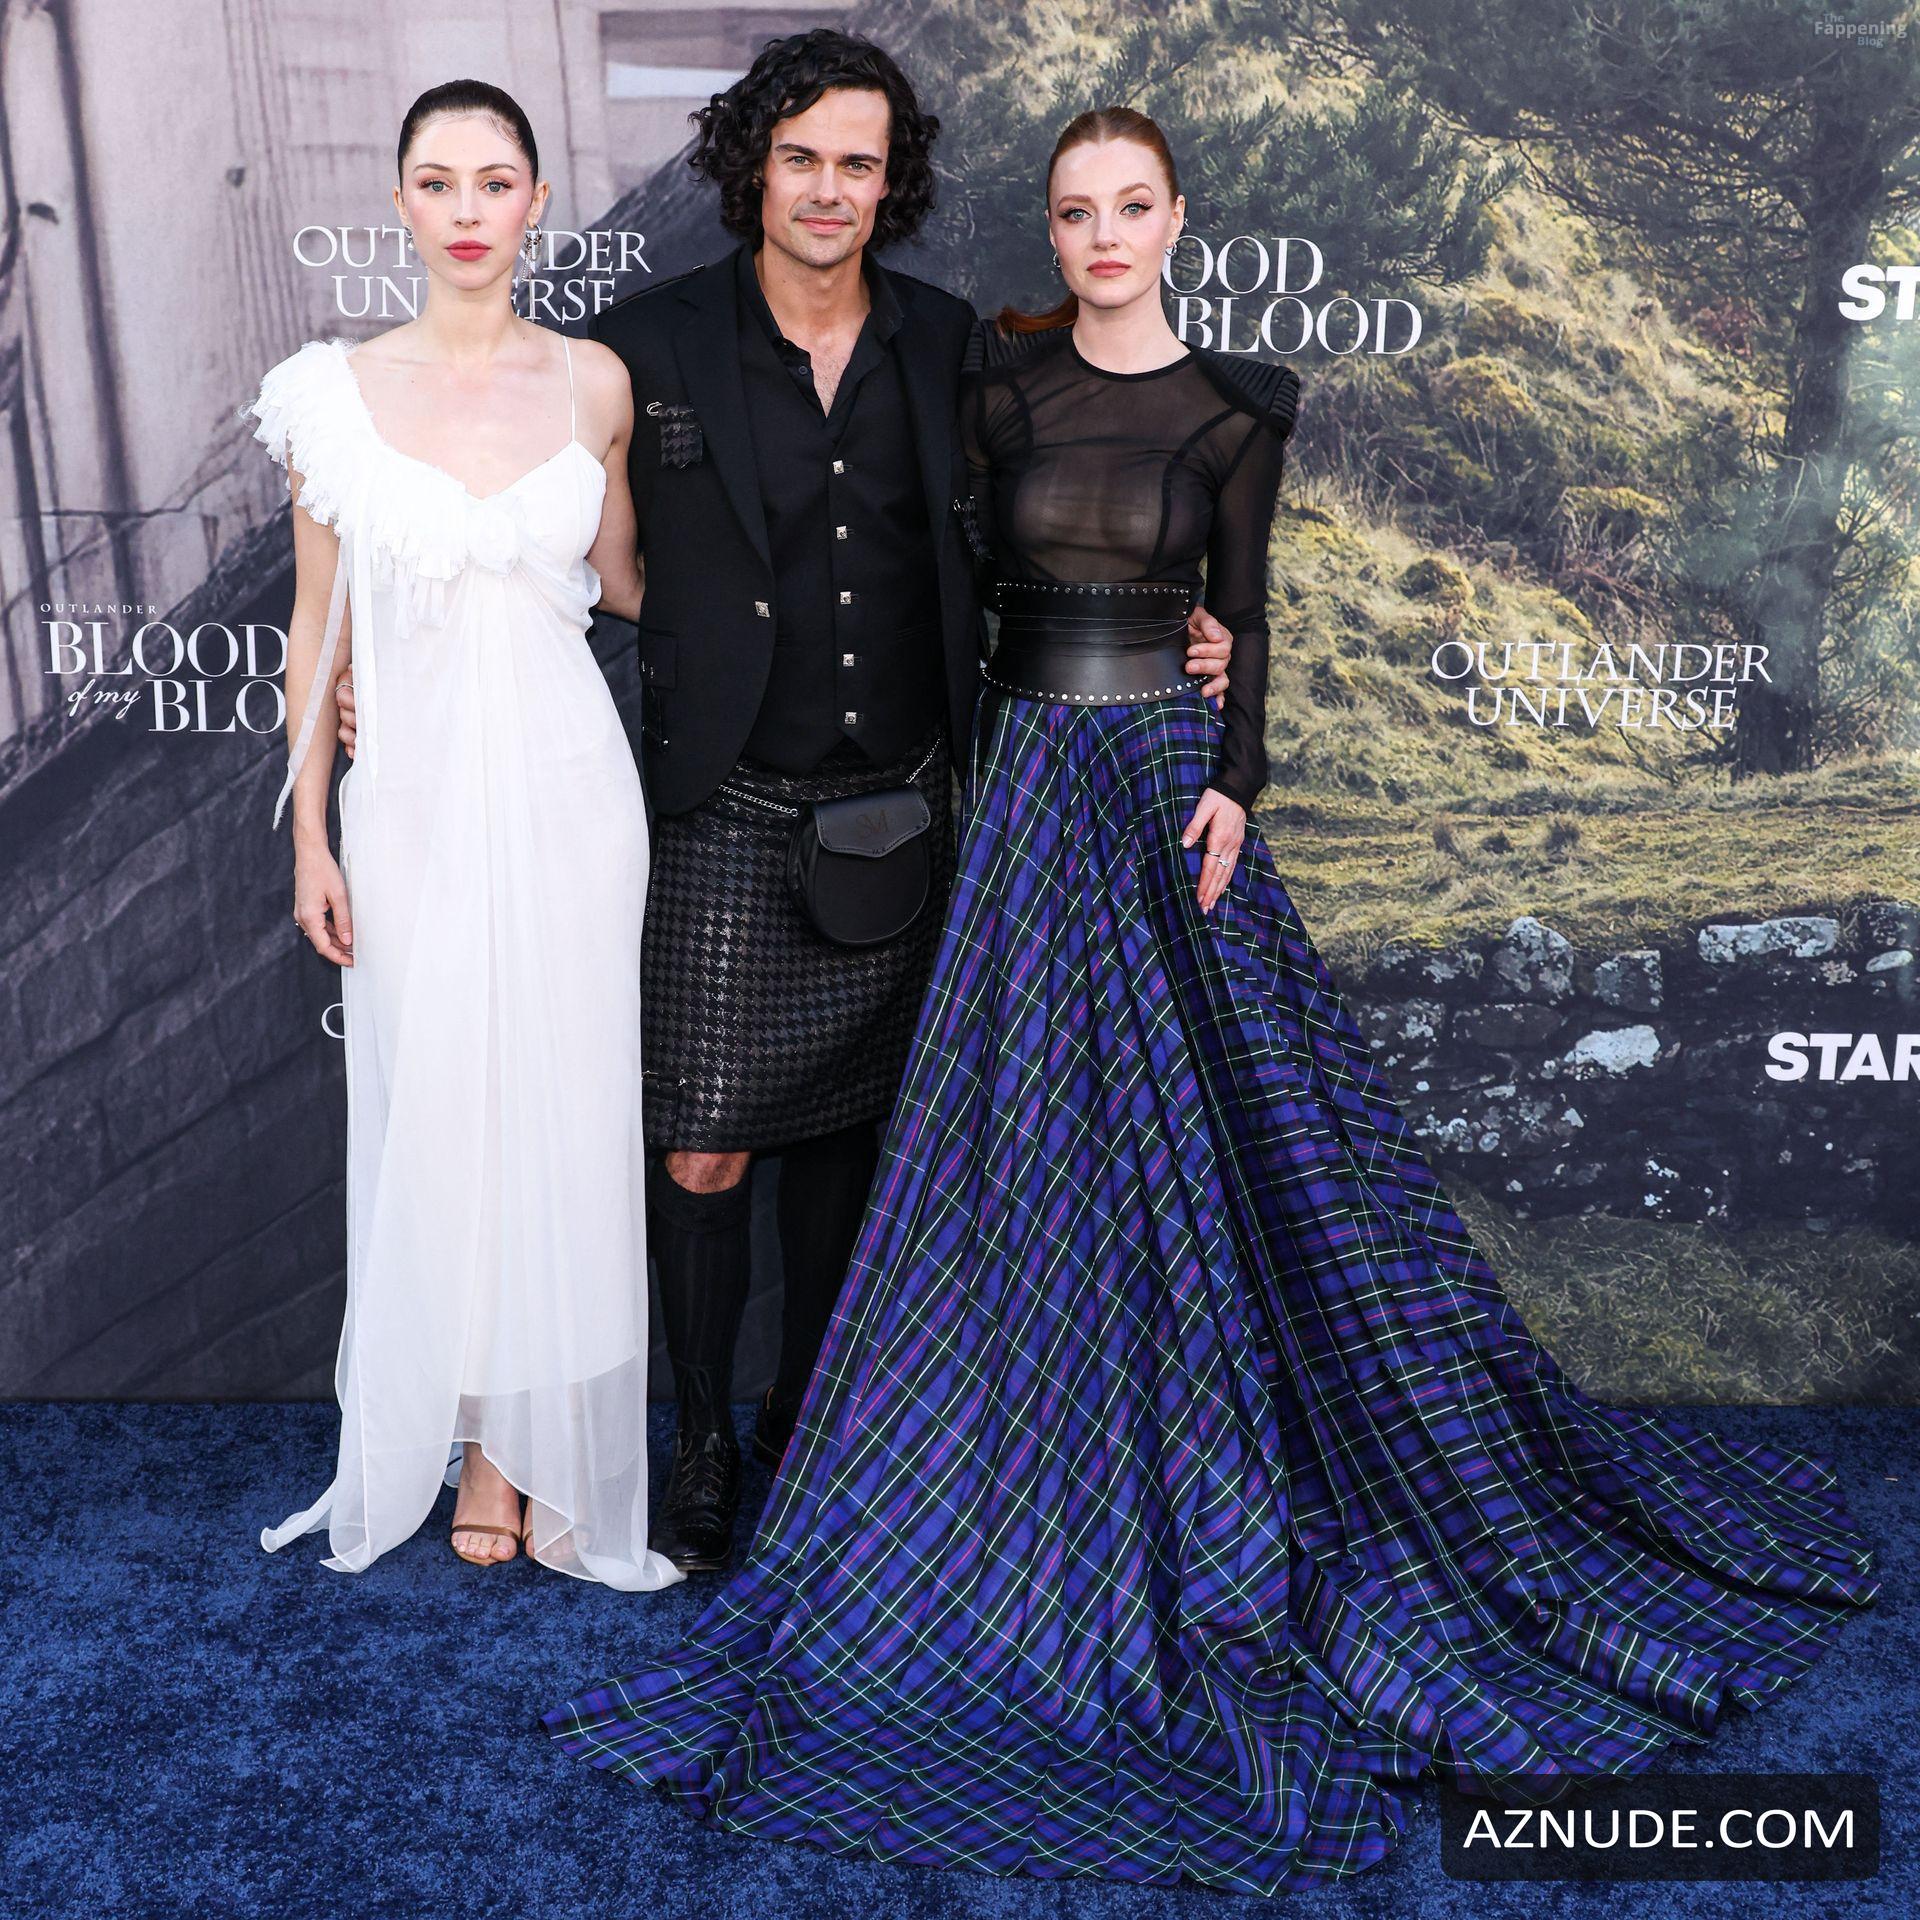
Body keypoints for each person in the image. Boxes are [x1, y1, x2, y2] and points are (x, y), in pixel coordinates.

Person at [538, 108, 1878, 1890]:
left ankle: (1245, 1455)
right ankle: (955, 1469)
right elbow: (911, 567)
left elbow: (1242, 609)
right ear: (1051, 231)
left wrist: (1234, 773)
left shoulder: (1243, 405)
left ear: (1178, 219)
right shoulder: (991, 388)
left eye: (1131, 208)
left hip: (1167, 789)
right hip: (1023, 787)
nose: (1103, 235)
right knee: (1020, 1139)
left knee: (1244, 1147)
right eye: (1074, 212)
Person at [338, 31, 1238, 1574]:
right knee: (702, 1150)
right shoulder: (643, 347)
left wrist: (1174, 623)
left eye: (858, 164)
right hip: (719, 803)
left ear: (893, 186)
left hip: (903, 803)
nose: (829, 188)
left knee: (848, 1151)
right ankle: (699, 1444)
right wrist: (382, 674)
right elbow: (512, 527)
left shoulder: (952, 345)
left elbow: (1056, 509)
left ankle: (802, 1428)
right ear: (755, 166)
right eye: (803, 157)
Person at [246, 80, 682, 1590]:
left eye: (495, 182)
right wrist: (312, 838)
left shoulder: (595, 384)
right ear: (400, 206)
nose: (468, 210)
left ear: (537, 202)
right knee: (442, 1116)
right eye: (438, 183)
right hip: (413, 804)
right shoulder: (331, 397)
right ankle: (462, 1420)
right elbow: (314, 630)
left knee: (563, 1115)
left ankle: (521, 1449)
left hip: (573, 797)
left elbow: (632, 583)